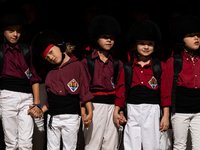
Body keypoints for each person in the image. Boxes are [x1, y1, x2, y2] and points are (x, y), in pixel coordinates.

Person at [29, 30, 93, 150]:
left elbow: (84, 92)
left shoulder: (77, 66)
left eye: (51, 52)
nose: (51, 57)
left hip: (71, 117)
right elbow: (50, 102)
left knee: (69, 147)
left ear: (59, 47)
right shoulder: (50, 75)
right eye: (47, 57)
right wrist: (40, 111)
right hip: (53, 118)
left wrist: (88, 112)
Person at [113, 20, 171, 150]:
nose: (146, 47)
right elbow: (121, 90)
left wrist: (165, 116)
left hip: (152, 110)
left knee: (151, 145)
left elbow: (165, 93)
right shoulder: (127, 67)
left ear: (155, 45)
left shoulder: (160, 66)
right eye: (142, 43)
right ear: (134, 45)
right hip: (132, 109)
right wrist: (117, 111)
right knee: (131, 144)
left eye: (150, 44)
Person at [0, 10, 42, 150]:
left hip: (26, 98)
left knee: (26, 143)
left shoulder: (26, 50)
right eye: (11, 30)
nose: (15, 34)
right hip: (7, 96)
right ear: (3, 31)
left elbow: (33, 77)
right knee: (11, 143)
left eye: (18, 30)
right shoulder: (1, 52)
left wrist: (37, 103)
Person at [81, 15, 123, 150]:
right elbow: (83, 89)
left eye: (112, 37)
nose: (109, 40)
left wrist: (119, 110)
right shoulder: (87, 62)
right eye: (105, 36)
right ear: (96, 38)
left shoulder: (117, 63)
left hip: (112, 108)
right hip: (93, 107)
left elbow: (121, 88)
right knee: (92, 144)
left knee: (111, 145)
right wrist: (84, 111)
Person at [166, 15, 200, 150]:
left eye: (197, 34)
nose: (196, 38)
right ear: (181, 39)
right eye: (191, 35)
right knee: (180, 146)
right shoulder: (174, 61)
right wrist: (166, 114)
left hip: (198, 111)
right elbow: (167, 89)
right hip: (179, 112)